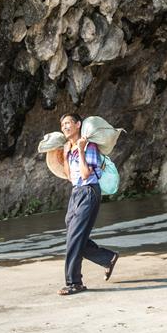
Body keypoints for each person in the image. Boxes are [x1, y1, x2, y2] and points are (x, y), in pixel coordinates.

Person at [57, 112, 119, 295]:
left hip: (89, 191)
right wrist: (67, 153)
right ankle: (107, 258)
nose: (65, 127)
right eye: (62, 125)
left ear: (78, 125)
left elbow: (85, 174)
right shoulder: (70, 147)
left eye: (68, 123)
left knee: (74, 239)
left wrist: (81, 151)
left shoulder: (89, 146)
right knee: (73, 236)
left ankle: (74, 282)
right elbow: (70, 176)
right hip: (76, 192)